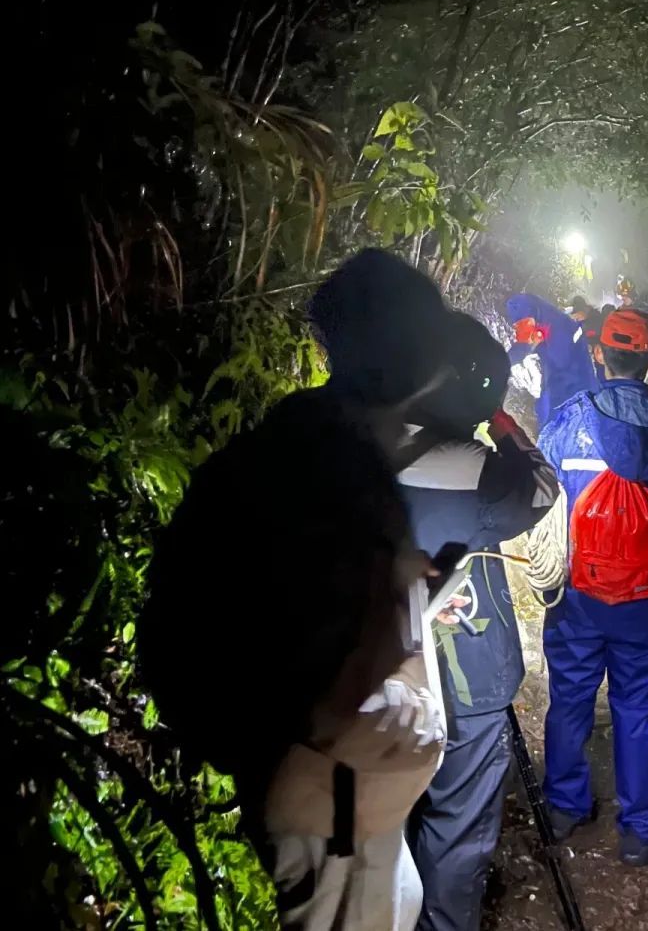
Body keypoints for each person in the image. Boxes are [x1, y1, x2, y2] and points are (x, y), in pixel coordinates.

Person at [141, 250, 456, 931]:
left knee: (396, 897)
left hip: (282, 762)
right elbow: (340, 680)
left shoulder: (292, 437)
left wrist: (403, 584)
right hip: (328, 792)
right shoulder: (344, 471)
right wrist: (406, 681)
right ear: (416, 359)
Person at [401, 310, 559, 931]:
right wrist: (505, 426)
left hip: (377, 672)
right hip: (466, 674)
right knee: (457, 823)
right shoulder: (468, 465)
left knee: (389, 817)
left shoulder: (348, 452)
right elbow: (541, 488)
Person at [536, 308, 648, 866]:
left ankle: (564, 807)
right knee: (636, 711)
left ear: (599, 353)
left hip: (578, 600)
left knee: (569, 700)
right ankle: (641, 829)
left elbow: (539, 504)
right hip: (647, 601)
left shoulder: (568, 420)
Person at [505, 292, 596, 430]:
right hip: (574, 384)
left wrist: (500, 364)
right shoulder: (548, 318)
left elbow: (524, 346)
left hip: (573, 388)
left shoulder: (554, 327)